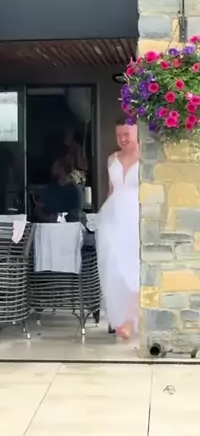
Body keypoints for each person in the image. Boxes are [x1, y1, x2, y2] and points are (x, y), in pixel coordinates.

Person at [96, 116, 139, 341]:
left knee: (134, 270)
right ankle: (121, 318)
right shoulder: (112, 159)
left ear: (137, 133)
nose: (122, 139)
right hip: (113, 221)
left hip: (135, 220)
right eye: (119, 135)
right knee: (113, 268)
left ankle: (131, 322)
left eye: (126, 134)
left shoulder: (146, 156)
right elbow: (111, 191)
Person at [35, 157, 82, 223]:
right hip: (47, 225)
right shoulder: (51, 187)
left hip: (65, 226)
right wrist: (47, 218)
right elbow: (37, 210)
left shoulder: (75, 190)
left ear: (62, 169)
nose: (52, 169)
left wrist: (60, 220)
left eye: (55, 167)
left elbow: (75, 216)